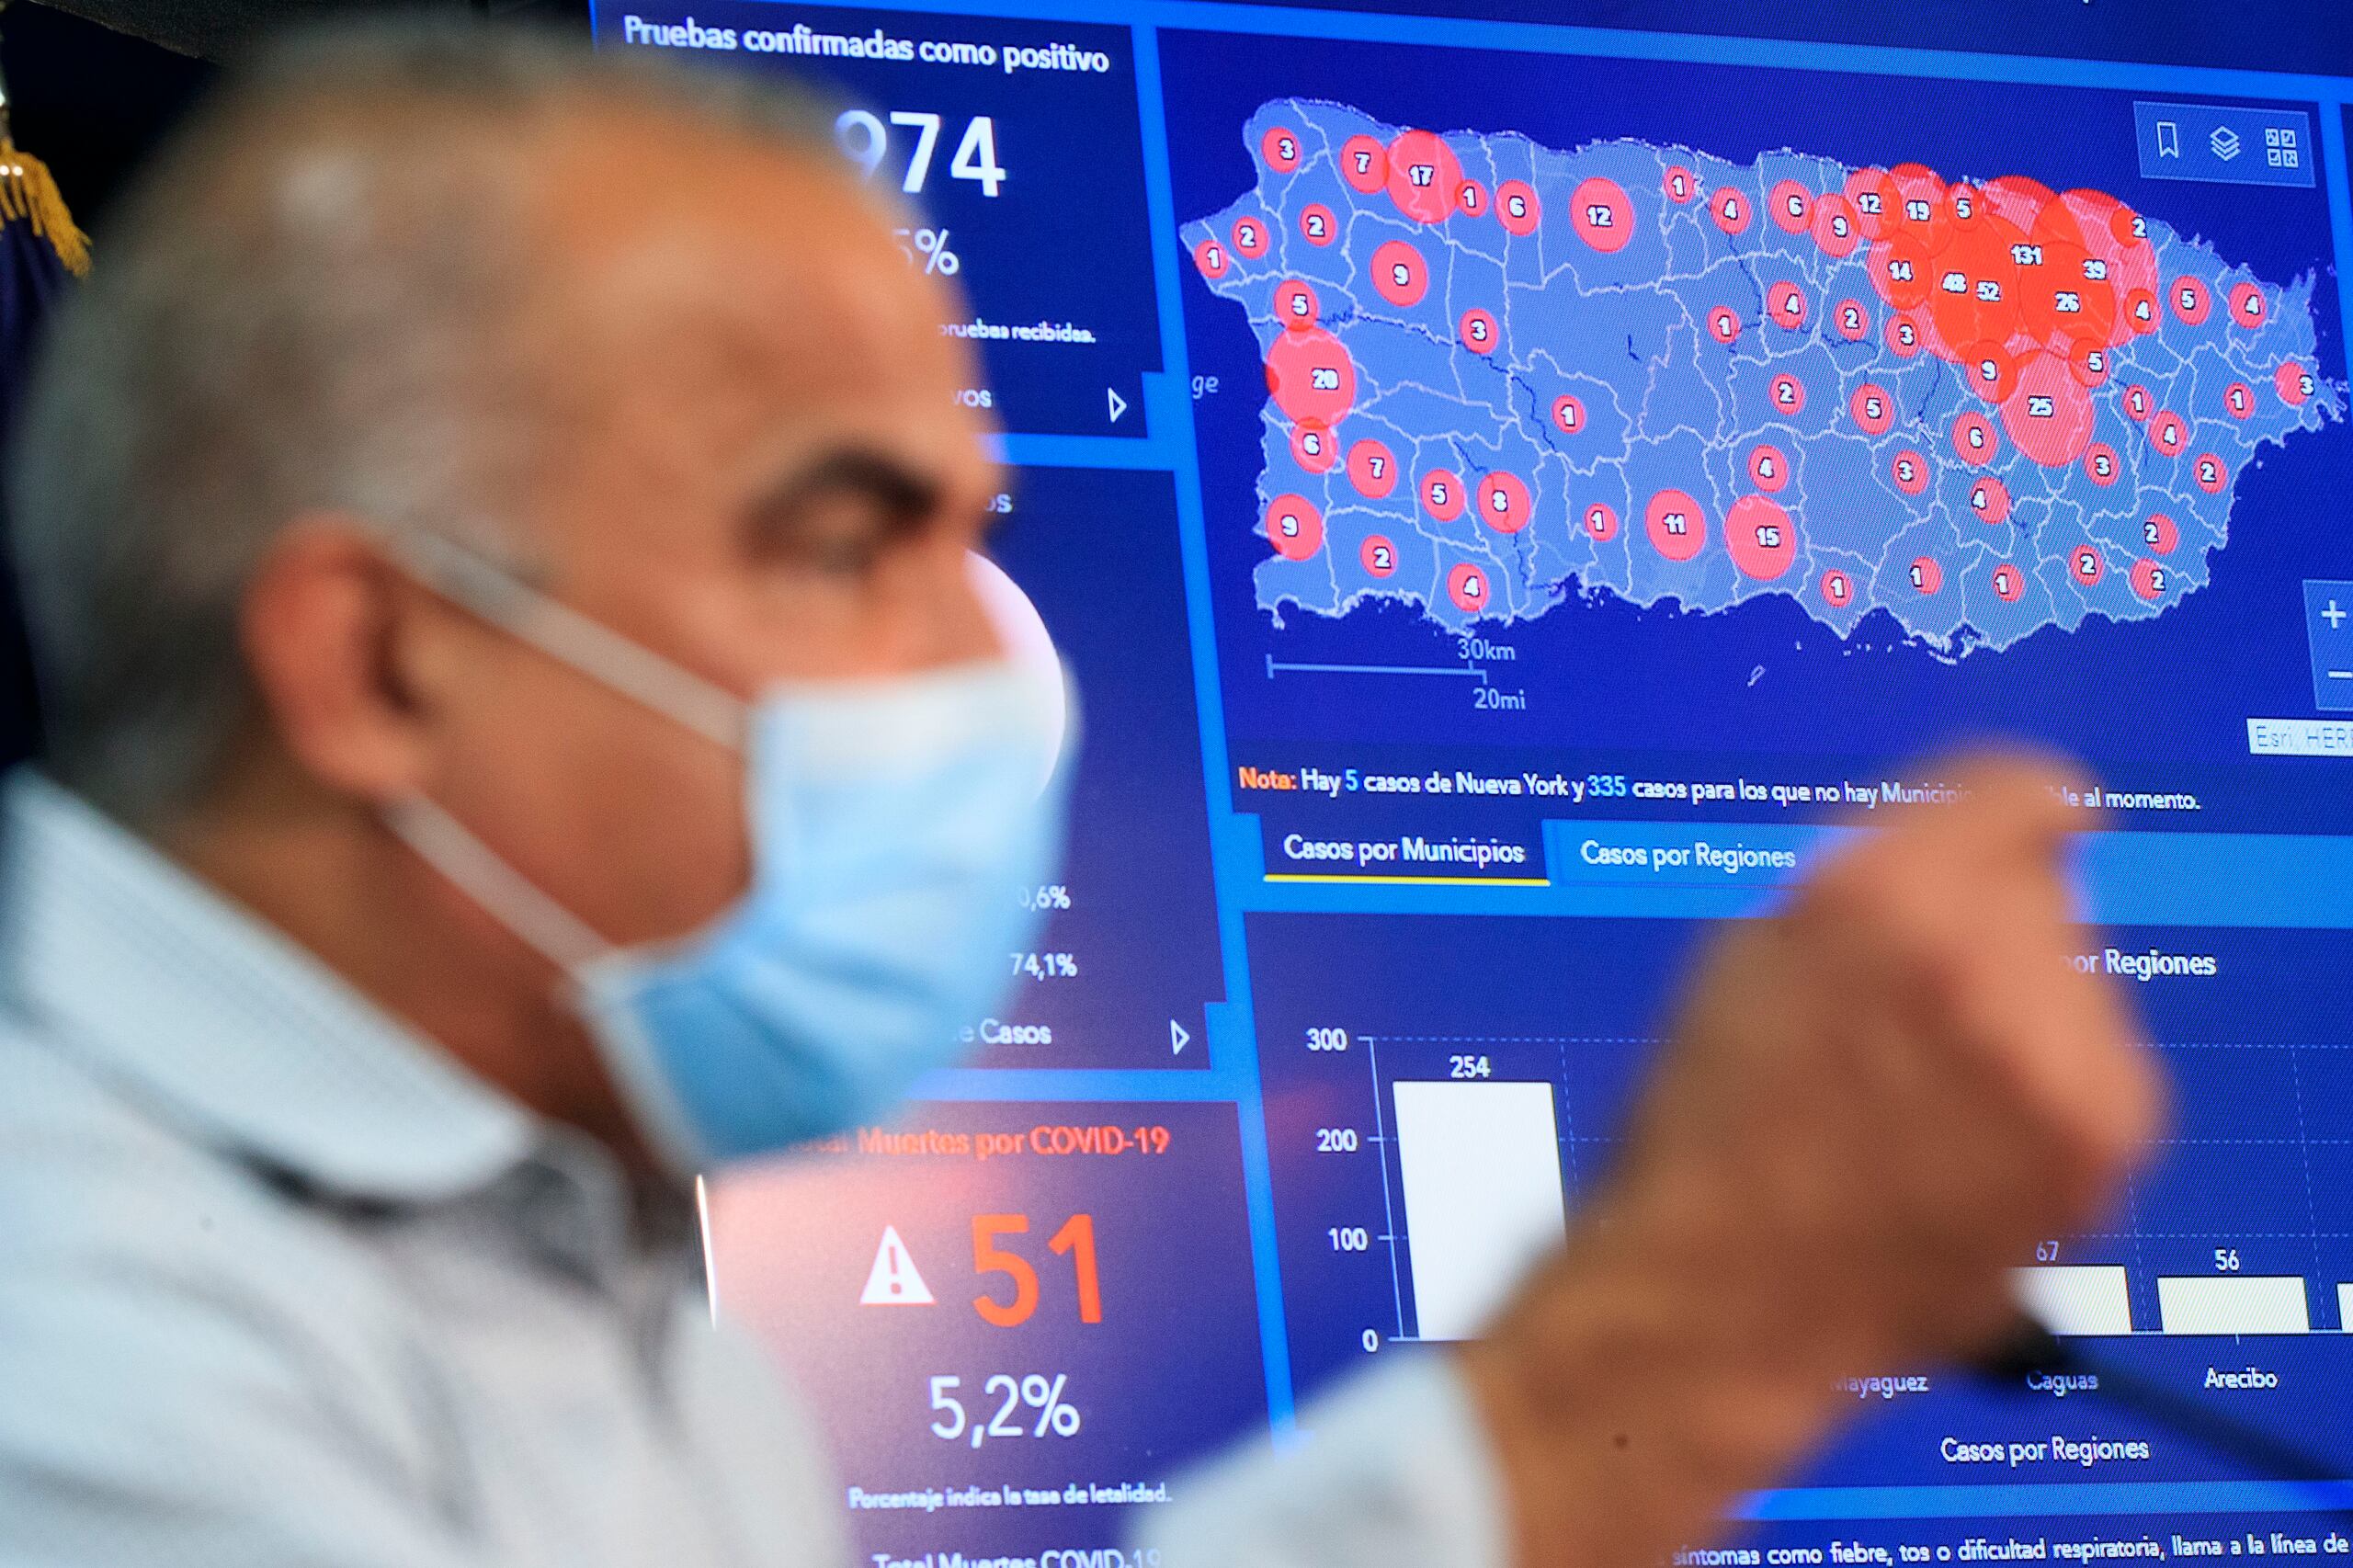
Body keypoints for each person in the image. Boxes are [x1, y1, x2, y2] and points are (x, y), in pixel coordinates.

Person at [0, 26, 2162, 1568]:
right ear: (379, 659)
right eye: (845, 542)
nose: (991, 672)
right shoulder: (66, 1342)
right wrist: (1695, 1328)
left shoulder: (595, 1284)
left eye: (974, 536)